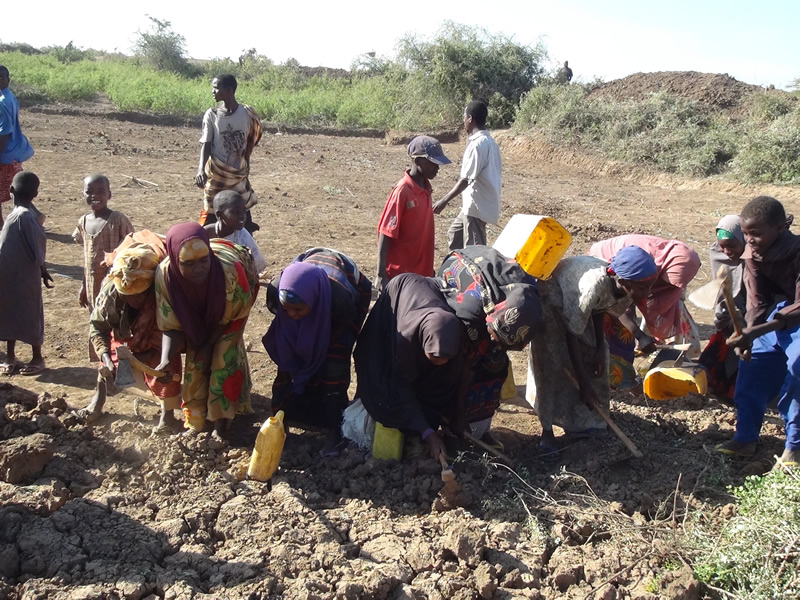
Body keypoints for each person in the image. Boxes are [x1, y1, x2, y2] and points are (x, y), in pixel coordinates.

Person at [527, 249, 657, 451]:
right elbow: (572, 335)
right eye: (643, 287)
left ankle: (588, 423)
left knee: (598, 355)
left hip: (579, 303)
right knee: (551, 362)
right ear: (623, 280)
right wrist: (583, 385)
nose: (648, 292)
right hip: (551, 298)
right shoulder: (593, 287)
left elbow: (601, 307)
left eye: (650, 285)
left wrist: (598, 347)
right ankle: (547, 432)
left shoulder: (626, 288)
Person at [263, 248, 372, 456]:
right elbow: (289, 317)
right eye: (288, 309)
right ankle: (281, 421)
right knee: (288, 362)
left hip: (338, 308)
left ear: (313, 302)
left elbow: (341, 333)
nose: (292, 315)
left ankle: (335, 431)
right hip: (310, 291)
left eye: (298, 310)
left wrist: (321, 348)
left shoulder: (341, 301)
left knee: (333, 366)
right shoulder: (277, 291)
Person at [155, 223, 259, 436]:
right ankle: (197, 421)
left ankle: (221, 424)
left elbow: (235, 315)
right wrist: (166, 359)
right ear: (176, 261)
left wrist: (209, 344)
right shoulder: (165, 276)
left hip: (233, 311)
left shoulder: (230, 272)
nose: (199, 268)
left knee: (223, 359)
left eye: (204, 260)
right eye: (189, 264)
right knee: (196, 363)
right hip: (195, 321)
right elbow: (170, 324)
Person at [354, 273, 470, 462]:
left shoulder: (454, 338)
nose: (440, 363)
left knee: (440, 383)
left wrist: (455, 419)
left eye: (446, 358)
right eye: (434, 356)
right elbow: (402, 386)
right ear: (424, 343)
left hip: (425, 315)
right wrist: (429, 434)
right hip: (399, 302)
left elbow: (454, 382)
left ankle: (420, 425)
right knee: (386, 390)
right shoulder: (405, 340)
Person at [721, 196, 800, 468]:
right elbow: (757, 301)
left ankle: (795, 448)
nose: (749, 240)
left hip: (795, 316)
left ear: (780, 227)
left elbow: (799, 307)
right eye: (745, 233)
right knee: (751, 368)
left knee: (797, 372)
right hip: (774, 317)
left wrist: (756, 331)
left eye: (755, 233)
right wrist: (748, 334)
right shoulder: (753, 256)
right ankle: (745, 439)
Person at [436, 245, 542, 447]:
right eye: (495, 337)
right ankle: (452, 432)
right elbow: (465, 366)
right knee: (462, 365)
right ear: (492, 318)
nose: (496, 344)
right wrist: (458, 412)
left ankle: (480, 430)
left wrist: (497, 347)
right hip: (460, 271)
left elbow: (505, 339)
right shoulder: (471, 313)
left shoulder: (529, 303)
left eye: (504, 344)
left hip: (494, 294)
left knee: (495, 364)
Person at [77, 232, 182, 431]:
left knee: (167, 360)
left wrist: (147, 358)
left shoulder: (165, 293)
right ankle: (98, 400)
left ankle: (167, 415)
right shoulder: (112, 292)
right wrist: (106, 357)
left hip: (159, 335)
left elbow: (176, 333)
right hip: (127, 329)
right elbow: (98, 327)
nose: (133, 301)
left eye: (138, 296)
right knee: (110, 354)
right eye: (127, 296)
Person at [588, 234, 701, 388]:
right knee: (612, 333)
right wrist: (640, 336)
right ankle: (612, 381)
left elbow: (639, 299)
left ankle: (622, 379)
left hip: (627, 282)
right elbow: (618, 308)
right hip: (606, 272)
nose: (648, 293)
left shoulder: (664, 264)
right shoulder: (630, 274)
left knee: (625, 334)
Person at [376, 136, 451, 291]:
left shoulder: (426, 187)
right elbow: (385, 232)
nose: (437, 168)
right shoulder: (402, 191)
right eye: (433, 163)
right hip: (401, 276)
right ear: (417, 161)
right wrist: (381, 274)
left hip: (421, 274)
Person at [195, 74, 262, 234]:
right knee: (211, 209)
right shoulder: (211, 115)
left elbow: (252, 139)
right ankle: (208, 242)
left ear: (229, 90)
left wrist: (245, 161)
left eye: (216, 88)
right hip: (217, 173)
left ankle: (246, 239)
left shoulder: (248, 114)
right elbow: (206, 145)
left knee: (240, 208)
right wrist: (200, 170)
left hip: (238, 174)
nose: (213, 91)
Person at [0, 171, 53, 375]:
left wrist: (42, 270)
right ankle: (10, 357)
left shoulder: (24, 217)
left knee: (30, 314)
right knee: (8, 313)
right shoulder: (19, 215)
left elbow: (37, 248)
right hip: (8, 278)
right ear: (36, 194)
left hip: (25, 278)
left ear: (10, 190)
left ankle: (37, 357)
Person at [434, 100, 501, 251]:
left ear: (470, 119)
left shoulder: (478, 144)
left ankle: (474, 273)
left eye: (464, 117)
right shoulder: (489, 142)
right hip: (474, 204)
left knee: (475, 251)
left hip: (477, 206)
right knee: (455, 234)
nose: (463, 121)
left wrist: (444, 200)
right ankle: (456, 269)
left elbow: (466, 179)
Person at [698, 215, 748, 401]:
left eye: (731, 246)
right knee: (715, 365)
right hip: (727, 317)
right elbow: (722, 292)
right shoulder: (718, 254)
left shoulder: (757, 257)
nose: (725, 251)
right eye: (722, 246)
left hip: (752, 321)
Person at [73, 174, 134, 311]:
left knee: (113, 318)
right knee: (95, 317)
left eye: (101, 192)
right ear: (83, 194)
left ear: (109, 194)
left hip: (114, 285)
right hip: (91, 287)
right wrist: (84, 284)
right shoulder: (83, 222)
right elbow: (88, 260)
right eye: (89, 192)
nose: (94, 196)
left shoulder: (118, 220)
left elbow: (132, 248)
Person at [0, 66, 34, 229]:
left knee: (18, 193)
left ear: (8, 80)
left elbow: (4, 133)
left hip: (5, 156)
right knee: (21, 193)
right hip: (12, 153)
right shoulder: (9, 97)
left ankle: (31, 221)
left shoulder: (3, 101)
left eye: (1, 78)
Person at [204, 190, 267, 274]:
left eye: (244, 211)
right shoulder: (206, 233)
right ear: (220, 215)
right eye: (236, 212)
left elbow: (255, 267)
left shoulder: (243, 237)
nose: (242, 216)